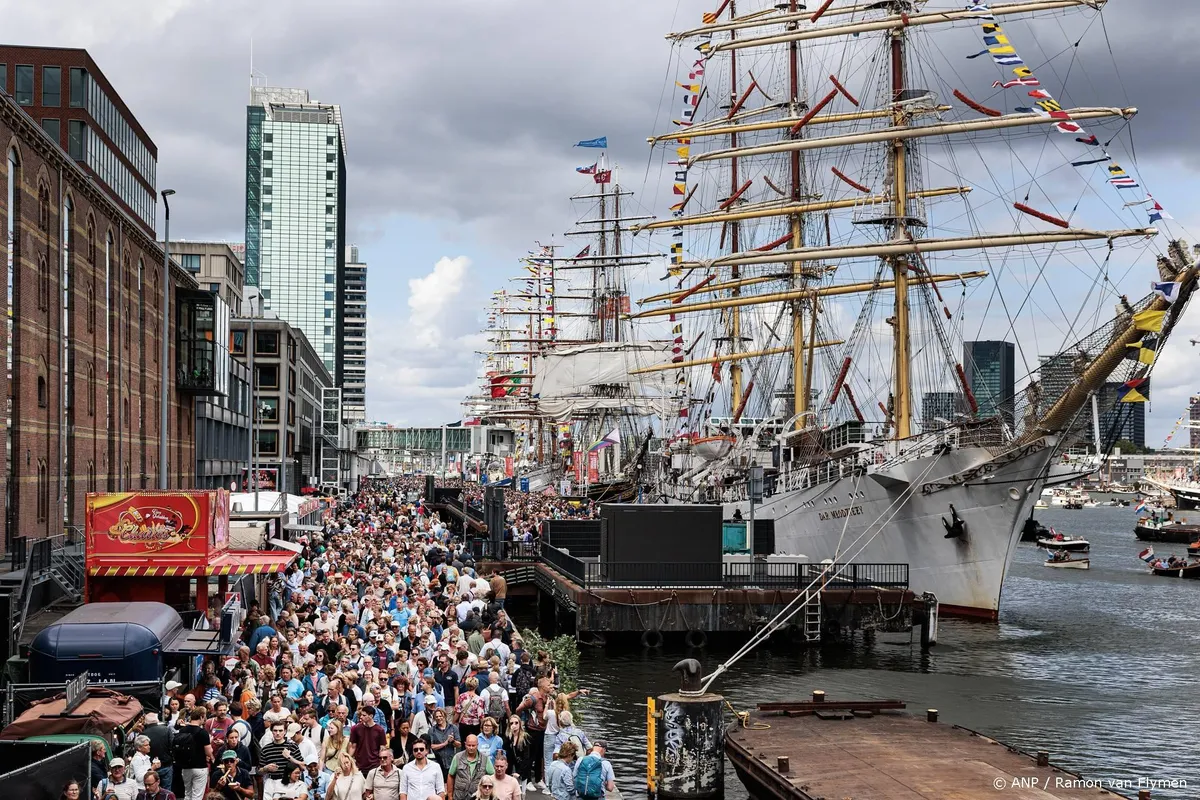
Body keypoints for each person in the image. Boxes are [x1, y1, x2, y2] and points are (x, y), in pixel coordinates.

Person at [174, 708, 214, 800]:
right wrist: (210, 742)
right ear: (201, 716)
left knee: (187, 794)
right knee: (197, 796)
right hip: (200, 767)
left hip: (185, 767)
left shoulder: (182, 730)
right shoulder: (203, 732)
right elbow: (208, 752)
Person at [261, 721, 306, 798]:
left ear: (285, 732)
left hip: (290, 783)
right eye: (275, 730)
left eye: (280, 730)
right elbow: (259, 770)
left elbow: (303, 767)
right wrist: (266, 768)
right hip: (273, 782)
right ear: (271, 732)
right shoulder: (266, 749)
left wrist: (290, 758)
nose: (278, 733)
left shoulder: (292, 746)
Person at [445, 735, 492, 800]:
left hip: (477, 797)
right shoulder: (457, 757)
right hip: (459, 797)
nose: (471, 748)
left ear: (477, 745)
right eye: (469, 745)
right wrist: (450, 796)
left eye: (473, 745)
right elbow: (450, 776)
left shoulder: (485, 759)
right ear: (465, 744)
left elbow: (492, 777)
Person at [349, 706, 387, 777]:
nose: (361, 717)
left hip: (374, 765)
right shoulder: (356, 729)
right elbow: (353, 746)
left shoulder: (380, 730)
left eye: (364, 715)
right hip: (359, 764)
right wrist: (348, 758)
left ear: (371, 716)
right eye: (361, 715)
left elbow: (382, 748)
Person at [502, 716, 533, 791]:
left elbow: (527, 757)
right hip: (511, 766)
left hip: (523, 766)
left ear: (520, 724)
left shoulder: (525, 737)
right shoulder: (508, 736)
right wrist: (510, 736)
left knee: (522, 793)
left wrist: (519, 772)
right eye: (512, 723)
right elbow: (505, 748)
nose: (514, 725)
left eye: (516, 723)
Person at [427, 708, 460, 777]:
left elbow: (459, 745)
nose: (439, 718)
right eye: (437, 717)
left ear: (444, 716)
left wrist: (453, 741)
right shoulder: (432, 730)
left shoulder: (453, 728)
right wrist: (445, 743)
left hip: (450, 761)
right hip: (438, 762)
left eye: (440, 716)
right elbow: (431, 746)